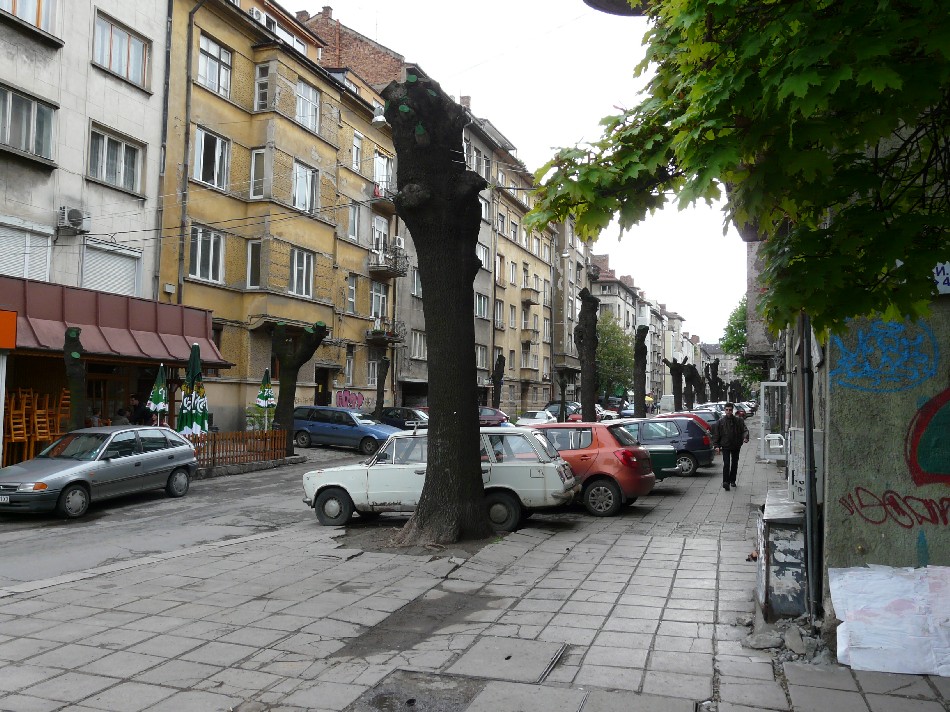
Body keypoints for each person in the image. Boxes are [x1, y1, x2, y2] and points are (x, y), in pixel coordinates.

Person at [712, 402, 749, 491]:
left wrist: (745, 437)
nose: (728, 412)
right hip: (725, 445)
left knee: (734, 463)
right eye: (727, 410)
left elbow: (744, 430)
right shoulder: (720, 422)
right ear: (725, 410)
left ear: (732, 410)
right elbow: (716, 434)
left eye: (730, 410)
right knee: (726, 464)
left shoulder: (738, 421)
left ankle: (732, 480)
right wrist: (716, 445)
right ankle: (726, 482)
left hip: (736, 445)